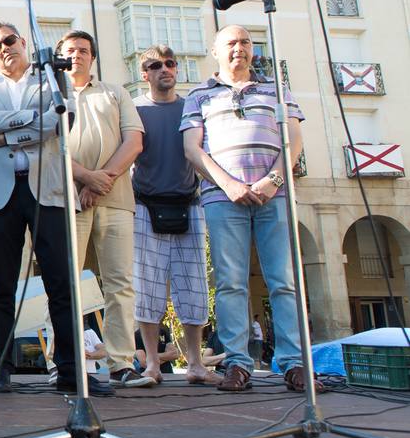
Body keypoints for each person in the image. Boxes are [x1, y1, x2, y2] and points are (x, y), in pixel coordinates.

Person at [0, 22, 112, 397]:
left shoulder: (49, 80)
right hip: (2, 195)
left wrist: (9, 134)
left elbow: (61, 121)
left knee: (61, 283)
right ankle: (1, 367)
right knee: (1, 283)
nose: (3, 50)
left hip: (46, 192)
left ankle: (69, 369)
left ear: (23, 41)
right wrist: (32, 123)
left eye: (8, 41)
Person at [182, 25, 322, 393]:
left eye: (245, 42)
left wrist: (271, 181)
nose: (239, 49)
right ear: (215, 51)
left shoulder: (277, 89)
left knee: (285, 282)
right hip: (221, 198)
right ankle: (238, 364)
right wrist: (229, 185)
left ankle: (293, 364)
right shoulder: (198, 95)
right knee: (229, 283)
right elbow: (193, 149)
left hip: (273, 196)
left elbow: (294, 140)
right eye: (231, 43)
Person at [57, 30, 148, 388]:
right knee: (64, 284)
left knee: (120, 283)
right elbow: (49, 148)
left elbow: (134, 141)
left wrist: (102, 180)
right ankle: (65, 363)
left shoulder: (116, 92)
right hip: (67, 200)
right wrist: (85, 178)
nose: (76, 55)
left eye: (83, 50)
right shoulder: (52, 96)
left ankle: (121, 363)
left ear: (93, 57)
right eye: (70, 51)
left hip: (116, 199)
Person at [131, 44, 220, 385]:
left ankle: (196, 364)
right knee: (148, 288)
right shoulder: (135, 109)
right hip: (145, 205)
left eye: (170, 63)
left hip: (189, 203)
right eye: (155, 65)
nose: (164, 70)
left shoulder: (192, 107)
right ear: (145, 73)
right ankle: (152, 364)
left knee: (194, 287)